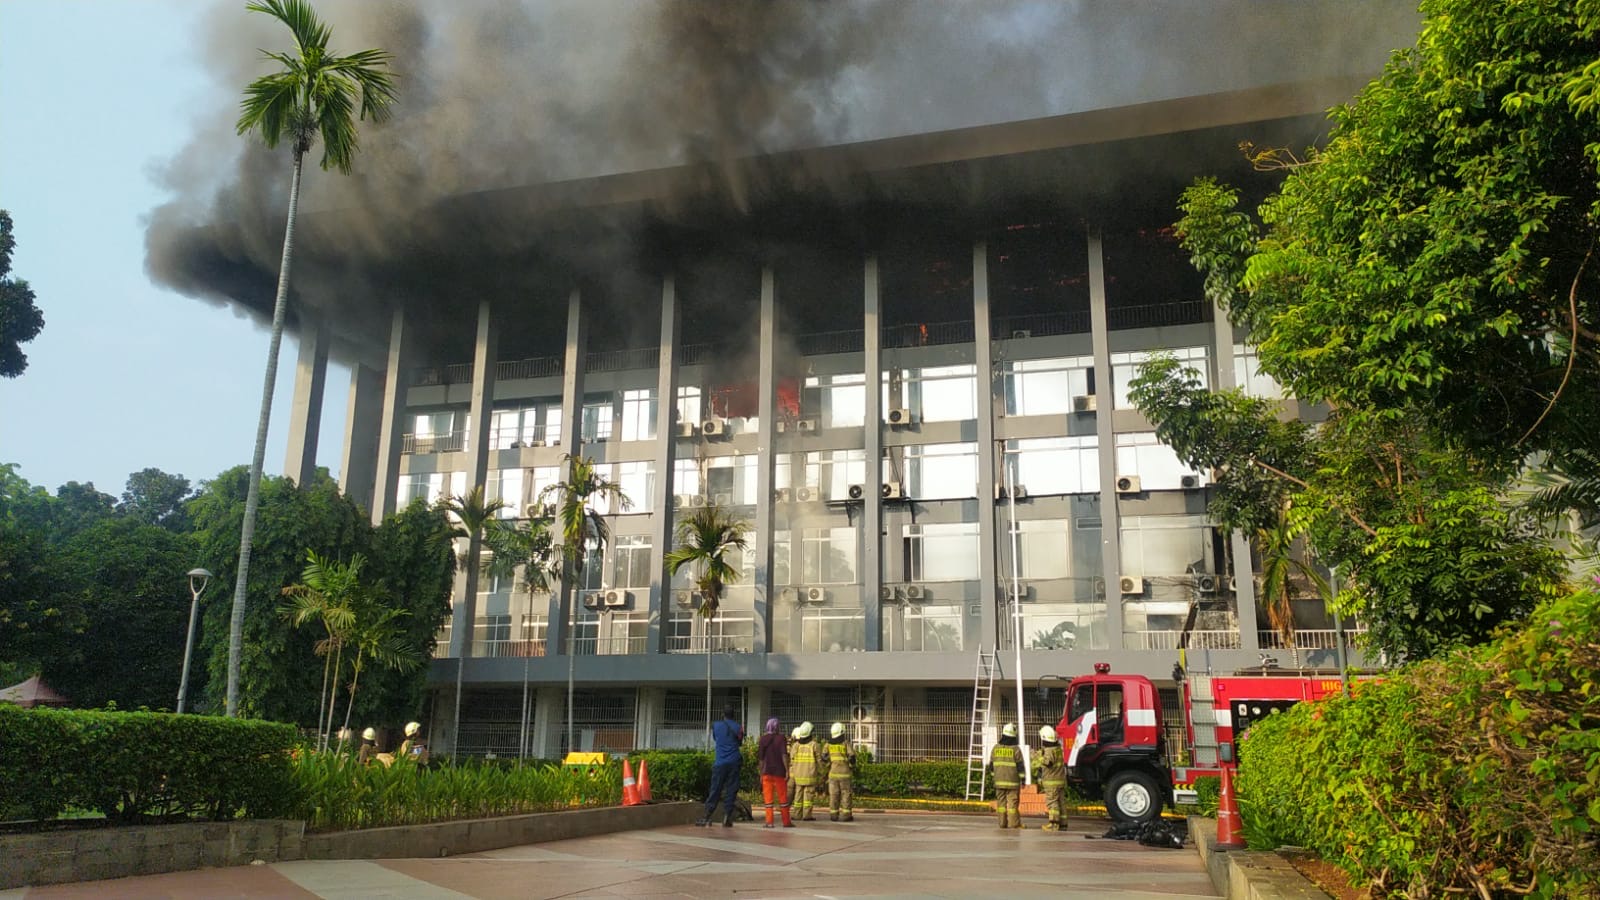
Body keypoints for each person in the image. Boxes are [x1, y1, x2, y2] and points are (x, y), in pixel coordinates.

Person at [698, 703, 745, 827]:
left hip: (720, 762)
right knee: (731, 790)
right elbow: (740, 742)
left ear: (722, 714)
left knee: (715, 789)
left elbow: (716, 738)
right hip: (734, 761)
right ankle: (727, 817)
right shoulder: (738, 727)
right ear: (734, 715)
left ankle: (707, 816)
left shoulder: (716, 726)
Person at [756, 717, 794, 828]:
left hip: (766, 772)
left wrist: (761, 773)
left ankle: (769, 822)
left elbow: (761, 759)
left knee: (768, 799)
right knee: (783, 798)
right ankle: (786, 822)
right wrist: (787, 770)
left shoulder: (763, 739)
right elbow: (784, 755)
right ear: (777, 727)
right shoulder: (781, 738)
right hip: (779, 772)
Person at [988, 722, 1022, 829]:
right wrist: (1023, 779)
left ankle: (1002, 823)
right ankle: (1014, 824)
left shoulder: (995, 748)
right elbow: (1020, 766)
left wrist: (995, 777)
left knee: (1001, 804)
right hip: (1013, 783)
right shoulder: (1015, 749)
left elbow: (991, 766)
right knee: (1012, 804)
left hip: (998, 782)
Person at [1033, 725, 1067, 831]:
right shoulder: (1058, 749)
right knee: (1061, 803)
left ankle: (1054, 824)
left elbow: (1048, 763)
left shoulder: (1049, 750)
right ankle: (1063, 824)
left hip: (1051, 782)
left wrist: (1037, 756)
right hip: (1060, 780)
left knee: (1052, 803)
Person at [824, 721, 855, 822]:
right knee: (846, 794)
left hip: (833, 774)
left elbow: (824, 757)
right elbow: (852, 757)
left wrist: (830, 762)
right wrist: (852, 765)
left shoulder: (828, 744)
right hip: (845, 774)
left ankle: (833, 815)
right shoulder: (845, 743)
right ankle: (846, 815)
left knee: (834, 795)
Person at [789, 721, 821, 821]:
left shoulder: (795, 746)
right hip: (810, 776)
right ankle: (807, 815)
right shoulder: (814, 745)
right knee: (808, 797)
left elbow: (792, 760)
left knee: (797, 796)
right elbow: (819, 761)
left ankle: (797, 815)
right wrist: (822, 772)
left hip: (798, 776)